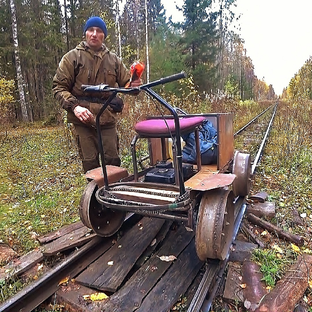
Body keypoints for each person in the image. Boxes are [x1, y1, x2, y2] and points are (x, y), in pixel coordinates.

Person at [52, 16, 141, 173]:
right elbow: (59, 87)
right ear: (85, 33)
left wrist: (134, 84)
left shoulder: (113, 60)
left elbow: (127, 86)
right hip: (83, 120)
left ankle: (113, 196)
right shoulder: (72, 58)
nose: (94, 34)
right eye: (90, 30)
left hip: (107, 118)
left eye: (99, 31)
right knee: (90, 164)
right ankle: (94, 196)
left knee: (113, 162)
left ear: (104, 36)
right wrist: (75, 107)